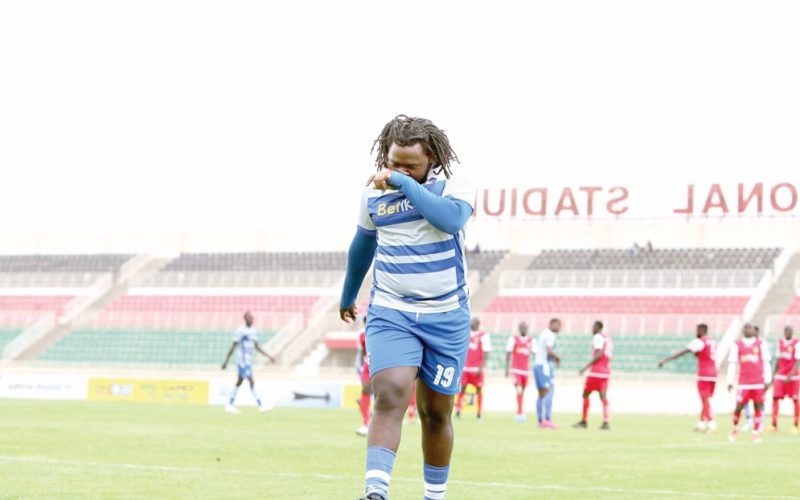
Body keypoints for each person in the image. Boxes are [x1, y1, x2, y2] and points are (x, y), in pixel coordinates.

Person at [339, 115, 474, 500]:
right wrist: (348, 295)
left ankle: (434, 495)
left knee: (435, 414)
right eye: (394, 162)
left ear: (431, 160)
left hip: (446, 316)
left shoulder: (456, 185)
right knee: (391, 392)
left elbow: (449, 221)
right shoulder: (372, 196)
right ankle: (375, 492)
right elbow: (362, 244)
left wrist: (401, 183)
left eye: (410, 165)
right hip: (391, 310)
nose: (398, 170)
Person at [658, 323, 718, 432]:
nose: (696, 332)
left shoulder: (699, 341)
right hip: (713, 374)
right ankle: (700, 423)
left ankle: (711, 423)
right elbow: (702, 354)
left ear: (701, 330)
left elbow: (684, 352)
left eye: (697, 330)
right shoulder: (712, 341)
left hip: (704, 374)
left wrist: (666, 359)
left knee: (705, 400)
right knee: (705, 400)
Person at [220, 311, 276, 414]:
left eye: (252, 318)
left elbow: (257, 346)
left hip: (248, 360)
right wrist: (225, 361)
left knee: (239, 382)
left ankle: (229, 404)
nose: (252, 320)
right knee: (251, 380)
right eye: (250, 318)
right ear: (245, 319)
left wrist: (269, 356)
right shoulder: (240, 331)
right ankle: (261, 404)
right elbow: (233, 346)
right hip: (242, 360)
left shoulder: (253, 331)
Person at [727, 322, 772, 443]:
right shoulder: (737, 345)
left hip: (758, 382)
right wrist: (729, 380)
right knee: (738, 407)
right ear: (743, 330)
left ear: (754, 330)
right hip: (744, 383)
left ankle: (756, 432)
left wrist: (768, 380)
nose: (748, 330)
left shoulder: (761, 344)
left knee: (758, 406)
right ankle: (735, 428)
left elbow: (766, 361)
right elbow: (732, 363)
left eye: (750, 327)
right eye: (746, 328)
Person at [574, 321, 613, 430]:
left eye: (593, 327)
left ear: (598, 327)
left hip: (596, 372)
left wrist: (585, 368)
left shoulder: (598, 337)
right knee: (603, 397)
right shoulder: (608, 339)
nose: (592, 329)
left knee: (585, 395)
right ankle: (606, 422)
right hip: (605, 373)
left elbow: (599, 354)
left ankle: (584, 421)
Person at [455, 317, 491, 419]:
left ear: (478, 324)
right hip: (465, 368)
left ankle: (479, 413)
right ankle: (458, 410)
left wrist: (481, 367)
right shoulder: (466, 333)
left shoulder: (483, 336)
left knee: (479, 390)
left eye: (473, 322)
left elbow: (486, 351)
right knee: (461, 388)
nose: (471, 323)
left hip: (476, 369)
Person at [767, 325, 799, 433]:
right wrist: (773, 375)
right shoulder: (779, 343)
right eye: (786, 331)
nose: (787, 333)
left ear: (792, 332)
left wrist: (791, 374)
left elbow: (798, 361)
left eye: (789, 331)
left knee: (794, 399)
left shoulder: (797, 344)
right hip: (780, 376)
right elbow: (777, 361)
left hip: (793, 377)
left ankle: (795, 424)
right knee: (775, 398)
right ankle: (774, 424)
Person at [533, 318, 561, 429]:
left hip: (537, 365)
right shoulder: (550, 335)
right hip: (544, 367)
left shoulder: (543, 333)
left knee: (541, 394)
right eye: (558, 325)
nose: (559, 328)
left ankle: (541, 420)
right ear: (552, 324)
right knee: (548, 392)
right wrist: (557, 358)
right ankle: (547, 419)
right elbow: (549, 351)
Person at [505, 321, 533, 423]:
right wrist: (507, 369)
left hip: (525, 371)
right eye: (522, 327)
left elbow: (535, 354)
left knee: (522, 393)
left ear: (528, 329)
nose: (523, 329)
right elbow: (508, 354)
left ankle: (520, 411)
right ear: (519, 328)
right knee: (519, 390)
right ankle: (520, 413)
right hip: (515, 370)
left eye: (525, 327)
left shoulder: (531, 341)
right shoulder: (513, 339)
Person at [356, 315, 371, 436]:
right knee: (365, 390)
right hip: (367, 365)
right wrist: (360, 368)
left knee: (383, 394)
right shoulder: (361, 335)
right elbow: (361, 352)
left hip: (382, 365)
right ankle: (365, 424)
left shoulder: (382, 332)